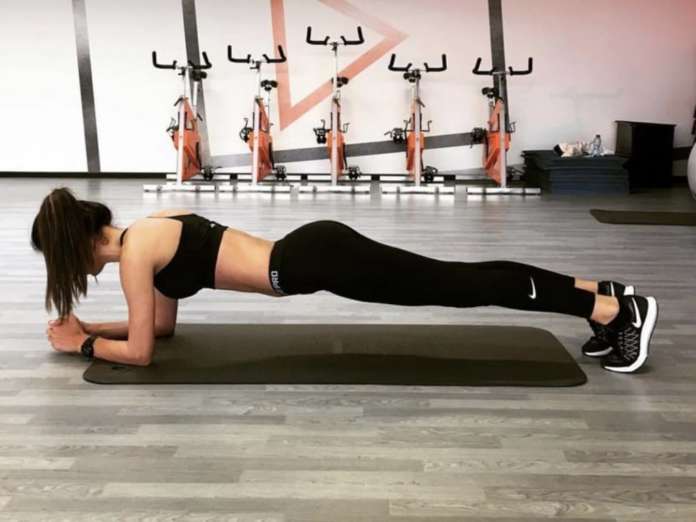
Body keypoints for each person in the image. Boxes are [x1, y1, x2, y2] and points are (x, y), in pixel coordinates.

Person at [31, 187, 658, 374]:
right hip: (313, 251)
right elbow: (160, 331)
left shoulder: (136, 255)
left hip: (316, 261)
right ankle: (604, 295)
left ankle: (613, 313)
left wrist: (82, 345)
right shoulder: (149, 228)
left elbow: (141, 353)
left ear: (75, 246)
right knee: (460, 280)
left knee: (464, 285)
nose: (69, 273)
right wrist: (93, 326)